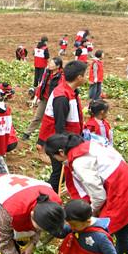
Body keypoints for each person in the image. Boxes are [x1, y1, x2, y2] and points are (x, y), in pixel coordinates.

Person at [44, 133, 128, 254]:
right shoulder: (88, 146)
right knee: (123, 230)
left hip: (122, 195)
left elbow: (99, 196)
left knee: (114, 230)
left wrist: (91, 212)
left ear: (61, 152)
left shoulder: (80, 162)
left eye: (53, 156)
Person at [38, 60, 86, 191]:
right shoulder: (62, 97)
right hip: (59, 143)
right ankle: (47, 196)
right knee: (59, 174)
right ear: (79, 77)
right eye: (84, 75)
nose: (85, 78)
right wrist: (66, 147)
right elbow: (60, 128)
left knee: (62, 173)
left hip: (66, 139)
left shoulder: (70, 91)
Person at [23, 57, 63, 141]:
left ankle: (54, 138)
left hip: (54, 101)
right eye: (50, 63)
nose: (50, 65)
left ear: (58, 66)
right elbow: (41, 85)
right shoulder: (47, 72)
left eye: (52, 64)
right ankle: (27, 133)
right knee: (37, 117)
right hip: (44, 99)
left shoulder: (61, 76)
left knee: (54, 119)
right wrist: (36, 97)